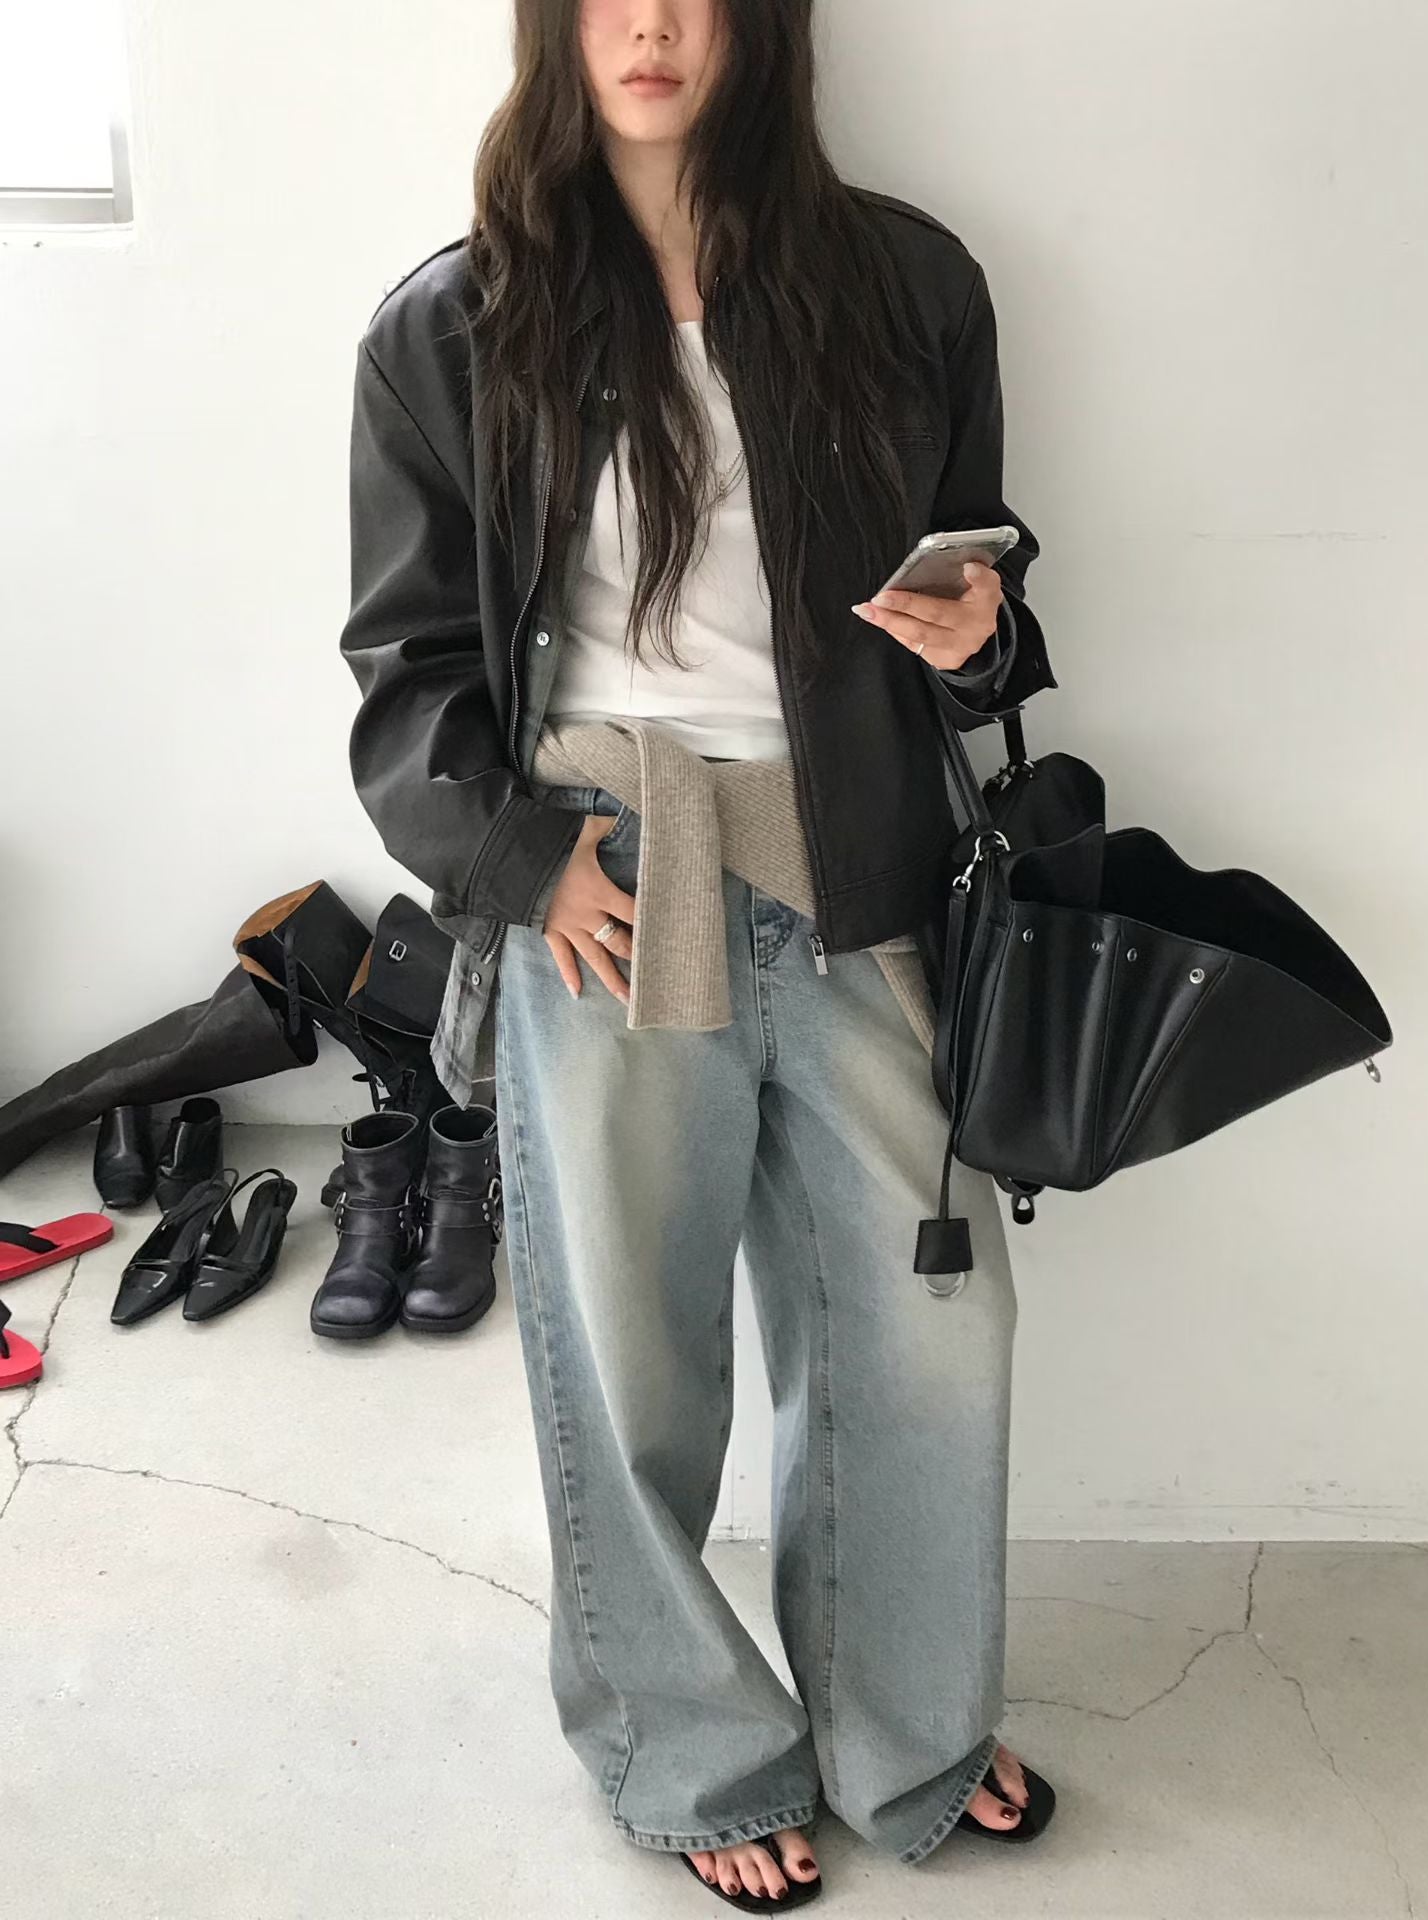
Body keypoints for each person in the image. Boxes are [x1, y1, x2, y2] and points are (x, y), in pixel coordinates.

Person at [339, 0, 1058, 1905]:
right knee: (629, 1343)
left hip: (855, 858)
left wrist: (980, 632)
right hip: (609, 868)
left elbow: (984, 595)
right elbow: (405, 670)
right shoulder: (452, 327)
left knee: (923, 1327)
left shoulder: (904, 284)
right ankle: (689, 1745)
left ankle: (911, 1728)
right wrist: (525, 864)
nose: (651, 24)